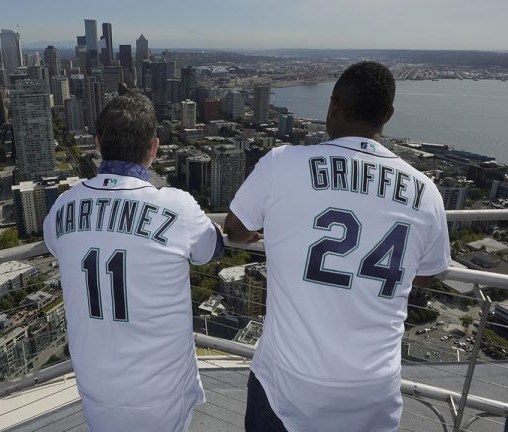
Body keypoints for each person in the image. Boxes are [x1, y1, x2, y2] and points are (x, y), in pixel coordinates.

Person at [225, 61, 451, 432]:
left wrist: (257, 237)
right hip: (372, 394)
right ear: (388, 116)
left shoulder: (283, 163)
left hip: (288, 385)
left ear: (333, 105)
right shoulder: (426, 191)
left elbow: (234, 229)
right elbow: (425, 275)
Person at [43, 93, 223, 432]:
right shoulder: (177, 206)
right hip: (161, 388)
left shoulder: (64, 205)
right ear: (154, 148)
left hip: (95, 383)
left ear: (97, 144)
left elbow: (56, 246)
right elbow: (210, 250)